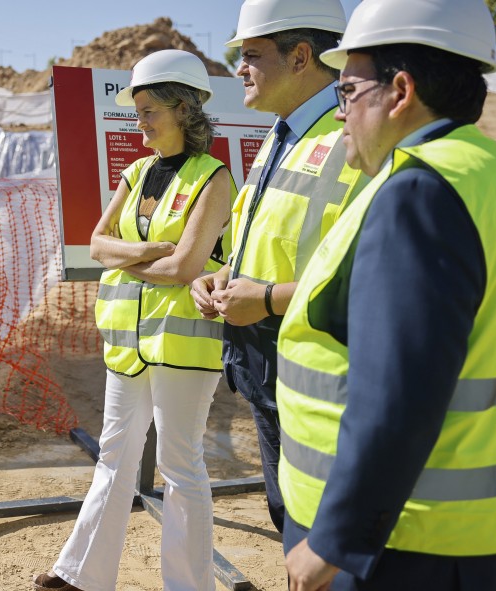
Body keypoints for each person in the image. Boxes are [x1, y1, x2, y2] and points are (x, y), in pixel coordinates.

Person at [277, 0, 496, 589]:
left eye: (347, 91)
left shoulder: (416, 193)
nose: (339, 113)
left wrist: (335, 539)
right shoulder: (489, 170)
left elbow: (398, 392)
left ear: (400, 91)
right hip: (486, 540)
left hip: (402, 550)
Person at [34, 49, 235, 591]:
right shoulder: (136, 172)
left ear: (184, 110)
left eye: (149, 111)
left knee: (180, 465)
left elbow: (185, 268)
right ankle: (81, 575)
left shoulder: (214, 179)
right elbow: (98, 244)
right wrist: (147, 252)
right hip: (129, 344)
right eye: (137, 111)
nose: (139, 122)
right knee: (114, 455)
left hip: (184, 345)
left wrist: (132, 257)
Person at [189, 0, 365, 534]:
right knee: (287, 515)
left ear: (301, 57)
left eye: (252, 55)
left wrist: (265, 300)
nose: (240, 69)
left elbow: (365, 276)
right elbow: (268, 234)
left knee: (325, 530)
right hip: (266, 367)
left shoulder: (354, 140)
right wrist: (224, 275)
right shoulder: (282, 133)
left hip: (320, 381)